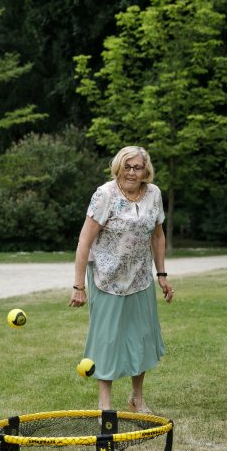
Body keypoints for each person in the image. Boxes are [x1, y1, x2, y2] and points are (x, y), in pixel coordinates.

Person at [69, 146, 173, 414]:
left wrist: (161, 274)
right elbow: (84, 241)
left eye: (137, 167)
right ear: (118, 167)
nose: (132, 172)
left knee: (140, 338)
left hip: (140, 278)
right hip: (107, 279)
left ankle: (137, 398)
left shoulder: (154, 194)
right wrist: (79, 285)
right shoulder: (105, 195)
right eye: (127, 166)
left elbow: (158, 236)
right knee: (108, 341)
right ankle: (105, 404)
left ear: (145, 170)